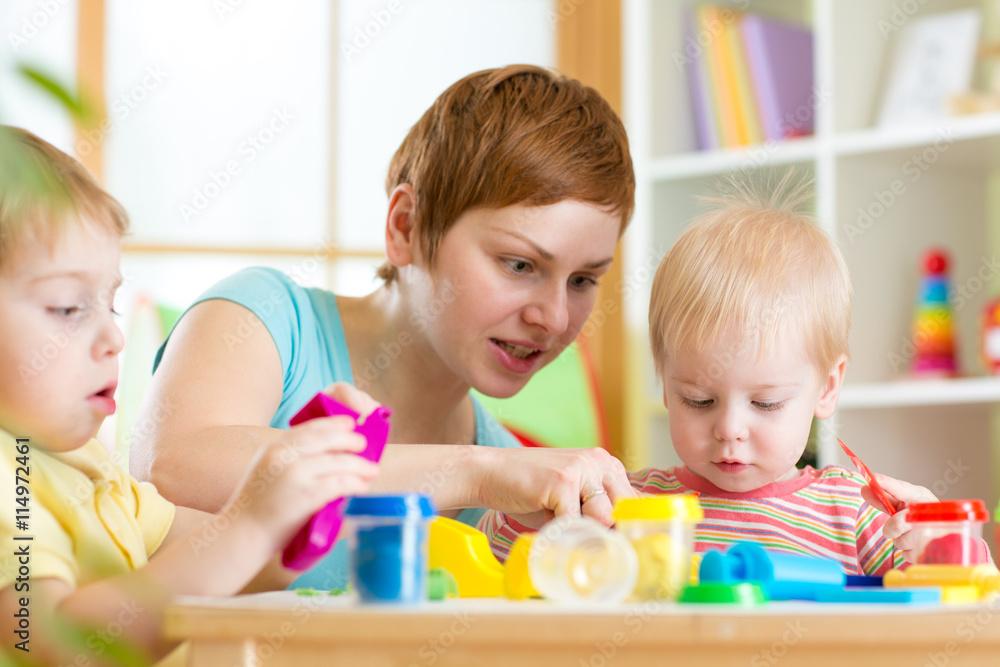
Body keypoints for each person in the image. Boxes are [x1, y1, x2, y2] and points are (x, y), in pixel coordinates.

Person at [130, 64, 639, 591]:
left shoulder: (511, 486)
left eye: (582, 279)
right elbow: (171, 471)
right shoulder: (266, 319)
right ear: (406, 227)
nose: (554, 318)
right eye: (518, 264)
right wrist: (472, 474)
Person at [0, 126, 379, 665]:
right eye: (66, 308)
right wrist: (249, 522)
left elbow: (234, 568)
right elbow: (56, 644)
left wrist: (307, 500)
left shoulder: (83, 465)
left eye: (109, 304)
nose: (114, 338)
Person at [482, 173, 947, 575]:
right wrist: (529, 516)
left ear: (827, 388)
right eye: (699, 400)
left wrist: (944, 548)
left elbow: (966, 618)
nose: (729, 429)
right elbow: (501, 567)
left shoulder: (857, 516)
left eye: (765, 403)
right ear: (665, 385)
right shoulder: (630, 504)